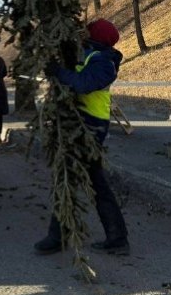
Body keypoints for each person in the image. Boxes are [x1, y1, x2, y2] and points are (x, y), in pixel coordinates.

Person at [33, 18, 130, 256]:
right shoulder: (88, 54)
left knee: (67, 176)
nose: (84, 34)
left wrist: (59, 72)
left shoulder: (104, 62)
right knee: (92, 181)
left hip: (91, 127)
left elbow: (84, 84)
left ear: (97, 36)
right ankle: (116, 238)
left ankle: (59, 236)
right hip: (80, 123)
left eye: (88, 32)